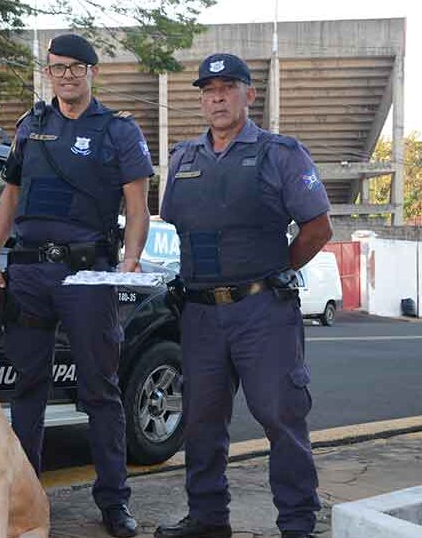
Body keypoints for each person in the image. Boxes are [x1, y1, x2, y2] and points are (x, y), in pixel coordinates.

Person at [0, 33, 154, 538]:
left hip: (87, 275)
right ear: (48, 72)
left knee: (99, 389)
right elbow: (9, 197)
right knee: (27, 388)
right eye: (58, 68)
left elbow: (137, 206)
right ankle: (24, 499)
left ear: (91, 72)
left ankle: (114, 503)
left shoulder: (117, 130)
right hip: (30, 273)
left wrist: (132, 260)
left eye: (77, 67)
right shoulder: (30, 127)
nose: (67, 76)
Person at [153, 53, 333, 538]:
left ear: (249, 94)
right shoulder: (182, 159)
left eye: (228, 87)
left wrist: (275, 273)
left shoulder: (281, 153)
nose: (217, 97)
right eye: (208, 89)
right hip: (199, 314)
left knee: (281, 416)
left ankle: (297, 524)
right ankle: (209, 519)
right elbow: (177, 224)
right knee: (201, 422)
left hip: (262, 311)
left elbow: (318, 227)